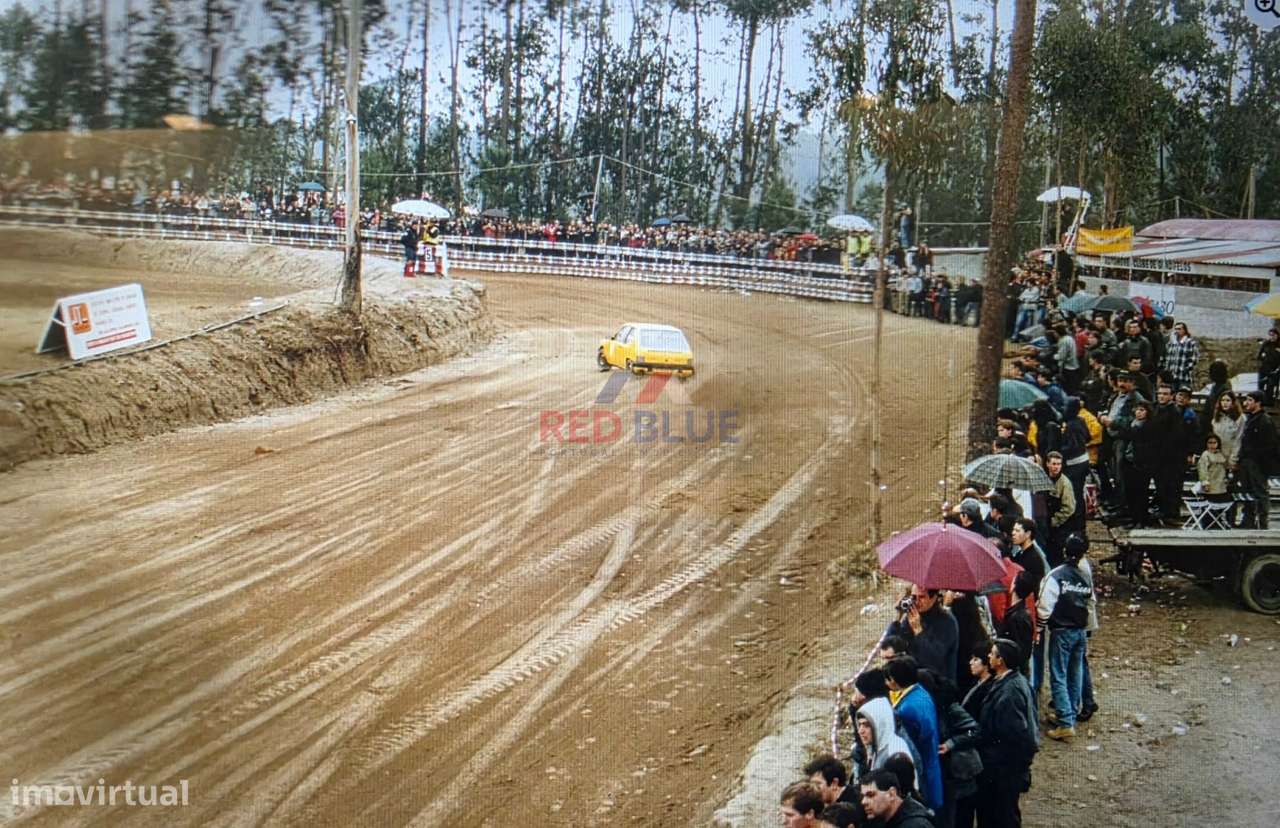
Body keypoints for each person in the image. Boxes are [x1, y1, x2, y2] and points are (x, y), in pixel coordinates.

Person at [974, 640, 1038, 828]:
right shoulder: (1015, 681)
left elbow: (1013, 734)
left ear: (1001, 660)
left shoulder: (1009, 693)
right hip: (1004, 767)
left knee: (1002, 814)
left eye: (992, 654)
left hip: (1003, 769)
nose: (988, 657)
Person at [1038, 533, 1095, 740]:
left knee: (1058, 675)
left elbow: (1044, 606)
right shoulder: (1085, 576)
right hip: (1079, 631)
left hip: (1061, 631)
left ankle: (1065, 720)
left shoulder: (1056, 575)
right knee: (1075, 672)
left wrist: (1039, 627)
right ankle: (1069, 712)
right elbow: (1091, 602)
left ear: (1065, 550)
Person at [885, 656, 944, 813]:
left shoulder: (906, 709)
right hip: (932, 765)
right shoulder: (920, 693)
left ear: (895, 681)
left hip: (922, 771)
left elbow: (913, 746)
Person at [886, 585, 960, 684]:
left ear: (934, 598)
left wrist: (918, 631)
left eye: (921, 597)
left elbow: (934, 659)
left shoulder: (947, 621)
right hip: (913, 680)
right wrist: (897, 618)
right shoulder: (913, 616)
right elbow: (889, 649)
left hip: (938, 683)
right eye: (913, 597)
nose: (916, 602)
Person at [1233, 391, 1278, 529]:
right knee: (1246, 492)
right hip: (1246, 462)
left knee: (1260, 492)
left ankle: (1263, 522)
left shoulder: (1265, 420)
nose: (1246, 403)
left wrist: (1263, 465)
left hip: (1257, 463)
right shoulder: (1250, 419)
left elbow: (1270, 445)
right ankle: (1248, 520)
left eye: (1250, 400)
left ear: (1258, 402)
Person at [858, 770, 935, 828]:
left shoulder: (915, 824)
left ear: (891, 794)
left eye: (870, 795)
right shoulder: (881, 820)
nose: (863, 802)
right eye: (863, 796)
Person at [999, 571, 1037, 681]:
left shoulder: (1018, 617)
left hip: (1014, 673)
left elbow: (1021, 650)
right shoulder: (1019, 613)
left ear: (1014, 586)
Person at [1163, 321, 1200, 388]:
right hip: (1171, 378)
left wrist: (1185, 370)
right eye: (1176, 329)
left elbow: (1194, 359)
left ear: (1184, 330)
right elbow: (1168, 358)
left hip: (1183, 378)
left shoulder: (1190, 342)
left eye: (1179, 329)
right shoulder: (1172, 343)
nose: (1177, 331)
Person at [1198, 434, 1230, 500]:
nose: (1212, 445)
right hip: (1210, 485)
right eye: (1210, 442)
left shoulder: (1221, 454)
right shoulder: (1205, 454)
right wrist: (1205, 483)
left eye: (1214, 442)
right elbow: (1202, 470)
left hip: (1221, 485)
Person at [1258, 328, 1280, 406]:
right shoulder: (1266, 344)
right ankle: (1259, 401)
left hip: (1274, 370)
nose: (1272, 337)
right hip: (1264, 368)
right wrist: (1262, 356)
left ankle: (1269, 403)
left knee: (1270, 386)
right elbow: (1259, 356)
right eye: (1270, 335)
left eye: (1273, 335)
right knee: (1260, 385)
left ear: (1277, 335)